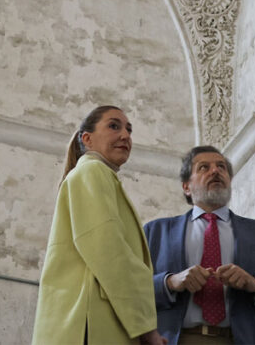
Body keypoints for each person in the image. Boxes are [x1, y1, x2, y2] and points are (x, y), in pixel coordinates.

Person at [32, 106, 166, 345]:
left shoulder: (96, 176)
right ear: (87, 138)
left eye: (129, 129)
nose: (125, 135)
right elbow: (110, 253)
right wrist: (146, 328)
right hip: (91, 324)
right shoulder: (92, 171)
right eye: (114, 126)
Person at [144, 146, 255, 344]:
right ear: (186, 186)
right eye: (204, 167)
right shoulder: (156, 232)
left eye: (221, 167)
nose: (215, 171)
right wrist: (170, 282)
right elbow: (130, 296)